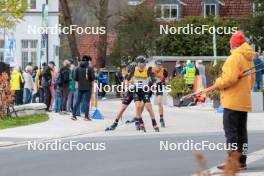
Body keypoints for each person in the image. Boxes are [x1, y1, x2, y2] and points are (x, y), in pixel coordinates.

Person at [210, 32, 256, 171]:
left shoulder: (234, 58)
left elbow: (229, 79)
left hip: (232, 101)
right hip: (244, 100)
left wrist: (218, 82)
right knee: (242, 132)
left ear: (233, 44)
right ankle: (242, 161)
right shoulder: (249, 59)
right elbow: (252, 80)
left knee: (231, 132)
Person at [127, 55, 159, 132]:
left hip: (144, 91)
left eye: (143, 63)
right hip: (136, 91)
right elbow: (127, 79)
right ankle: (140, 123)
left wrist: (154, 85)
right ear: (137, 63)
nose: (141, 65)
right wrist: (129, 85)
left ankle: (154, 124)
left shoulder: (148, 70)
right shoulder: (134, 69)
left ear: (144, 64)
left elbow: (153, 79)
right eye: (139, 63)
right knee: (138, 107)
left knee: (149, 108)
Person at [72, 55, 95, 121]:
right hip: (88, 87)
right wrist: (93, 89)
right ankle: (86, 117)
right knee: (86, 102)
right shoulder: (90, 68)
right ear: (88, 61)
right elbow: (93, 79)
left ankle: (73, 115)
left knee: (78, 101)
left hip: (80, 87)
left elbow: (75, 79)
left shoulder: (77, 68)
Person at [151, 60, 168, 128]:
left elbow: (166, 79)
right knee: (142, 104)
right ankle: (138, 118)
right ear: (155, 65)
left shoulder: (164, 71)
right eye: (157, 65)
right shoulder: (151, 69)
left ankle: (161, 118)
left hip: (159, 87)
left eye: (160, 65)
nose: (158, 67)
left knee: (159, 103)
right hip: (150, 86)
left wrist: (164, 82)